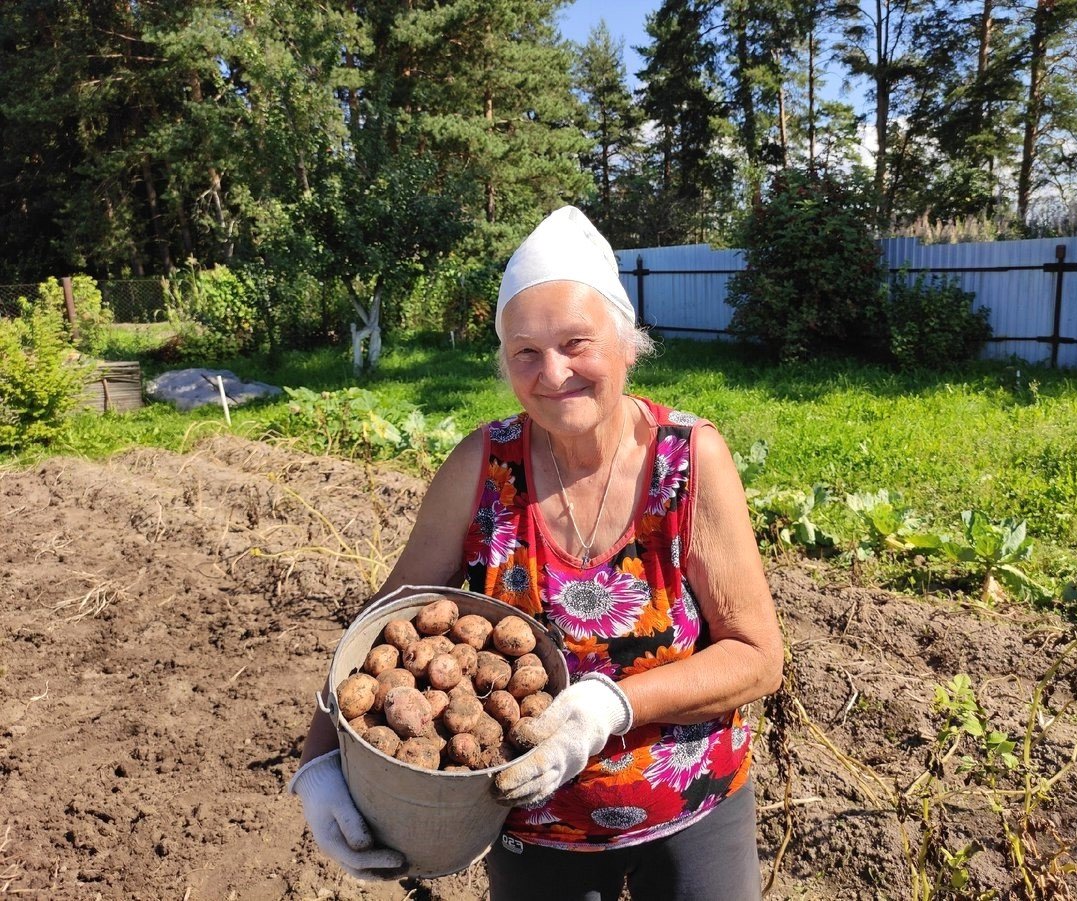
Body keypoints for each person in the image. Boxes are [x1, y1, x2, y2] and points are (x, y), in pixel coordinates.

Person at [289, 206, 785, 900]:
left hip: (692, 806)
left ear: (626, 343)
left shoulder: (689, 462)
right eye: (526, 351)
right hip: (532, 823)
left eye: (576, 342)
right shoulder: (482, 466)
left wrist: (608, 707)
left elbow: (758, 655)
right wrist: (317, 764)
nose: (553, 372)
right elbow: (385, 616)